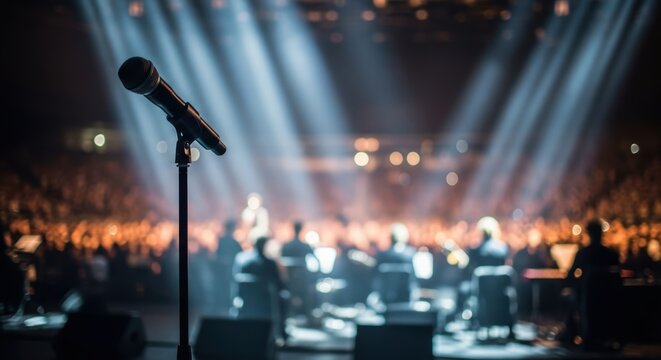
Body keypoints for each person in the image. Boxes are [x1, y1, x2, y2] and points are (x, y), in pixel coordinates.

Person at [564, 219, 621, 349]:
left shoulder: (584, 253)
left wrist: (570, 285)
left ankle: (573, 335)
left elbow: (571, 273)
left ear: (588, 234)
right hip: (608, 295)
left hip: (587, 294)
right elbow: (618, 275)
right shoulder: (611, 254)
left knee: (570, 300)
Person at [232, 235, 286, 339]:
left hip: (247, 300)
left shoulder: (244, 261)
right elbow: (279, 283)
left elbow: (237, 281)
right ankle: (281, 333)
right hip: (265, 300)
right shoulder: (269, 263)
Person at [215, 219, 242, 314]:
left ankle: (226, 305)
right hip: (226, 270)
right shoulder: (231, 242)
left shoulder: (223, 241)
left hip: (226, 270)